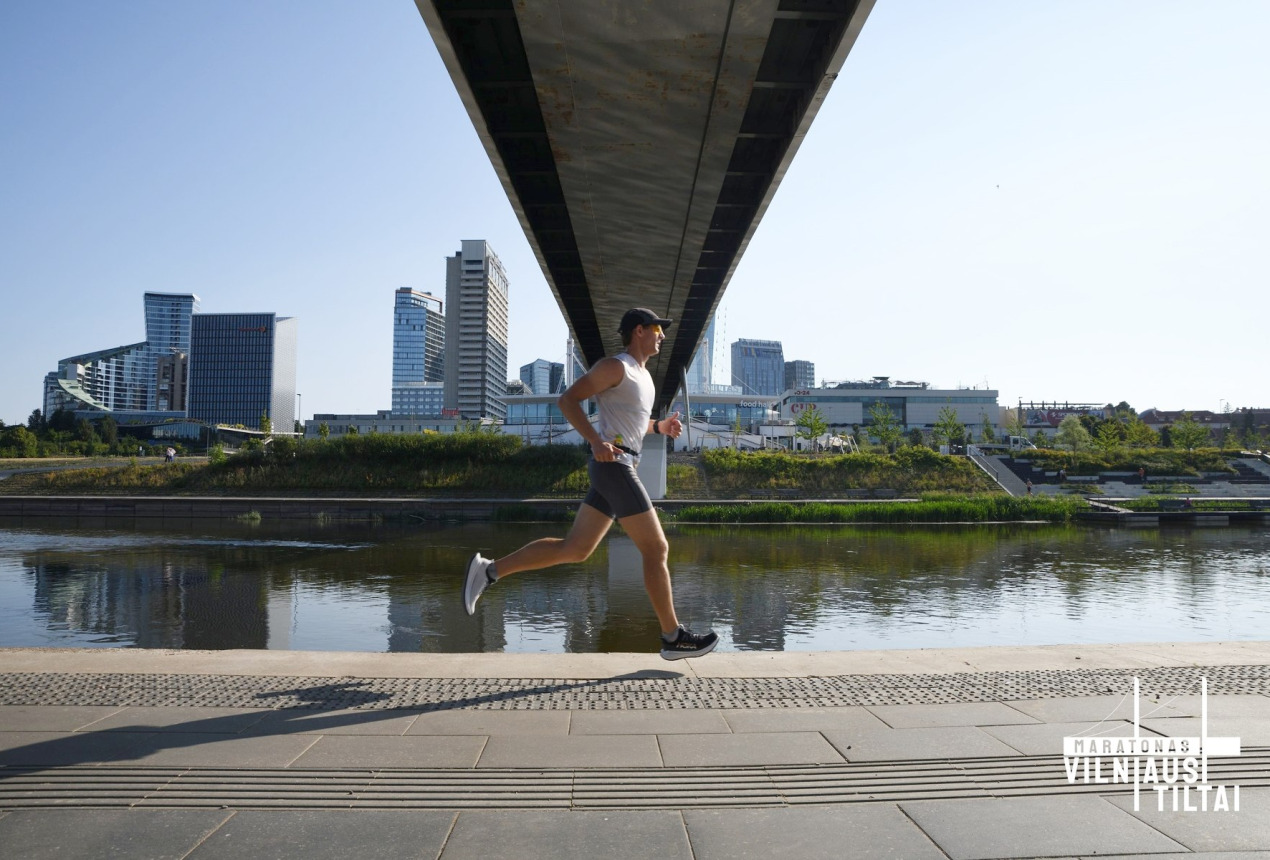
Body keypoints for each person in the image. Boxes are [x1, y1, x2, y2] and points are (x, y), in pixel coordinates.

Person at [462, 308, 719, 660]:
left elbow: (630, 425)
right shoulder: (616, 367)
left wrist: (658, 427)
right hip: (614, 466)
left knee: (576, 549)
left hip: (619, 462)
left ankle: (488, 571)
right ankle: (673, 637)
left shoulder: (643, 376)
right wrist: (595, 441)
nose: (663, 335)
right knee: (657, 550)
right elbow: (567, 400)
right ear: (639, 330)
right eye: (658, 329)